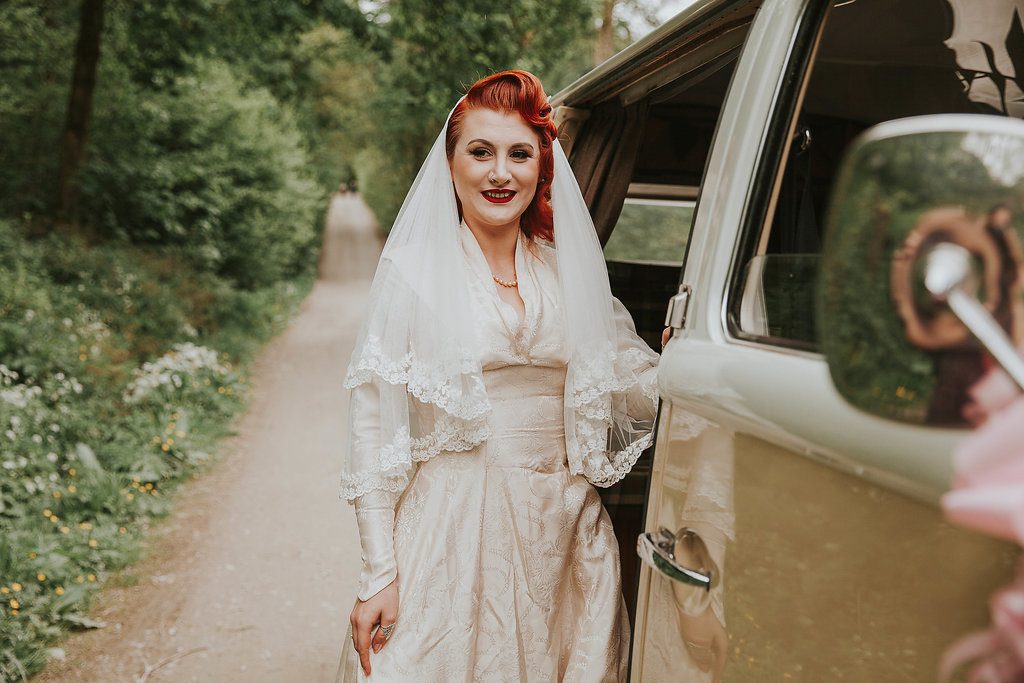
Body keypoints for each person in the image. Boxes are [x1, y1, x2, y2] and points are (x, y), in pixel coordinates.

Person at [337, 70, 659, 681]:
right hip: (453, 529)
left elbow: (632, 390)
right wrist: (379, 571)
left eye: (519, 154)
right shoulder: (413, 273)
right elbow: (372, 424)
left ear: (542, 166)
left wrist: (684, 359)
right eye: (480, 152)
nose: (500, 172)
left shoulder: (571, 275)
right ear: (451, 164)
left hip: (562, 534)